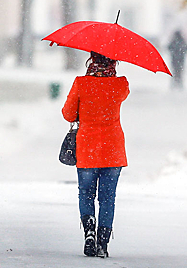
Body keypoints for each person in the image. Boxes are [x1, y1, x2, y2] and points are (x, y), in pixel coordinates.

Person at [62, 51, 129, 258]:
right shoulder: (121, 85)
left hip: (88, 148)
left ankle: (89, 232)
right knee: (108, 198)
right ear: (114, 61)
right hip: (112, 149)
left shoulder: (81, 83)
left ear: (91, 59)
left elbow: (68, 114)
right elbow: (123, 94)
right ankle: (103, 242)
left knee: (86, 193)